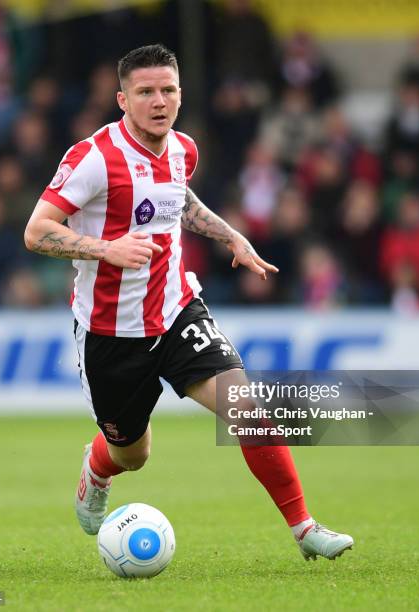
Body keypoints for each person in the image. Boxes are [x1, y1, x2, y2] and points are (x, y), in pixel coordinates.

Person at [24, 44, 353, 562]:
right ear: (122, 100)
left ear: (180, 94)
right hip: (112, 334)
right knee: (133, 454)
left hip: (178, 310)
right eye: (146, 92)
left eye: (168, 90)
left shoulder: (183, 149)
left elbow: (182, 200)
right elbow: (36, 230)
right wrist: (106, 248)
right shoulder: (92, 158)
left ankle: (304, 527)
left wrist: (232, 237)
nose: (159, 101)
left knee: (251, 412)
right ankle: (97, 468)